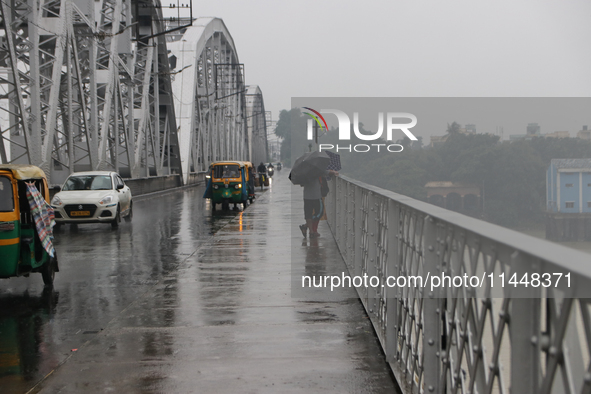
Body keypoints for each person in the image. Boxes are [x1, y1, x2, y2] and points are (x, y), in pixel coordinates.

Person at [300, 169, 338, 238]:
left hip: (307, 196)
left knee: (308, 214)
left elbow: (301, 184)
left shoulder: (304, 171)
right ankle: (307, 227)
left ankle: (311, 231)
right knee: (319, 213)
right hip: (317, 196)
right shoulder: (318, 169)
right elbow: (327, 172)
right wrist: (334, 172)